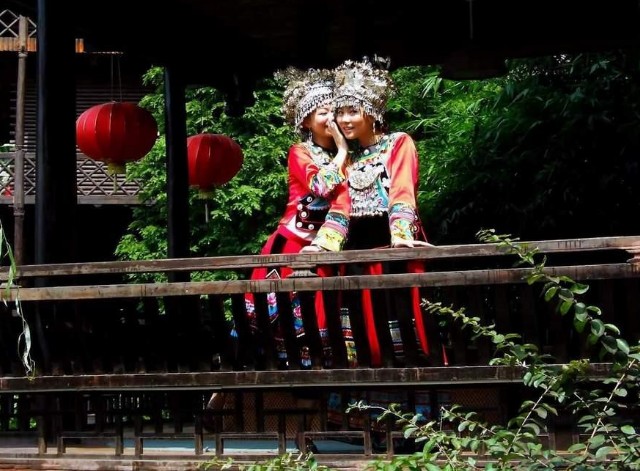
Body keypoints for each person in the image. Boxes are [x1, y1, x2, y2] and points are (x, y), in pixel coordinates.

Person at [304, 57, 444, 369]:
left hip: (393, 246)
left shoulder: (398, 143)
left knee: (401, 319)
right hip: (356, 252)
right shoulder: (349, 160)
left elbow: (402, 191)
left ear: (372, 111)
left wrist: (402, 236)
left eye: (352, 111)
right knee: (358, 329)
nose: (344, 120)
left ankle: (415, 390)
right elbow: (341, 208)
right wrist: (321, 244)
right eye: (340, 112)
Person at [240, 67, 348, 368]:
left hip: (327, 248)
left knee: (323, 316)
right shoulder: (300, 151)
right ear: (306, 122)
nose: (331, 118)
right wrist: (342, 151)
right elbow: (321, 186)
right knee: (278, 315)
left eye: (335, 111)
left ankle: (320, 375)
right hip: (292, 244)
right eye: (323, 112)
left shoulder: (349, 155)